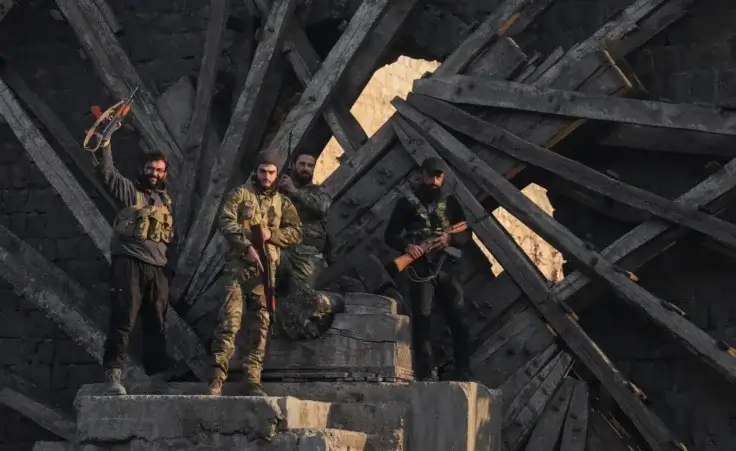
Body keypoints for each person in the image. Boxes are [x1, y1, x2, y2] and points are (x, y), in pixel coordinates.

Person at [208, 150, 302, 396]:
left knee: (261, 325)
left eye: (272, 172)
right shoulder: (241, 195)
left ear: (277, 173)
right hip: (240, 267)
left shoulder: (283, 203)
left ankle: (252, 379)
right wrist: (246, 245)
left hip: (266, 273)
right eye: (263, 171)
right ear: (256, 171)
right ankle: (217, 378)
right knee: (230, 321)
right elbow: (226, 221)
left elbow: (296, 232)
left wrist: (274, 236)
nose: (267, 177)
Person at [94, 139, 175, 396]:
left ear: (165, 173)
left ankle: (157, 376)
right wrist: (105, 144)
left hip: (157, 268)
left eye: (160, 170)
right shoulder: (130, 192)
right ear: (142, 169)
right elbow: (107, 174)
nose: (155, 174)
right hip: (129, 261)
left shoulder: (165, 202)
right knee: (124, 317)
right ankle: (113, 373)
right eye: (151, 169)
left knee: (157, 321)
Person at [383, 157, 473, 381]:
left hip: (447, 268)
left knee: (458, 319)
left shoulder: (451, 203)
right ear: (422, 174)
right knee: (422, 320)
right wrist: (407, 246)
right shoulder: (407, 203)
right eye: (431, 175)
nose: (434, 180)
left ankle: (463, 368)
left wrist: (449, 239)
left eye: (438, 176)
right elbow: (390, 235)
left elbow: (465, 233)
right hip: (420, 269)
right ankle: (425, 372)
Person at [276, 151, 332, 294]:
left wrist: (294, 191)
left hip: (308, 254)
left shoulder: (319, 191)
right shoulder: (279, 190)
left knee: (301, 298)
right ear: (292, 165)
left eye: (310, 165)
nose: (306, 168)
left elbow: (322, 207)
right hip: (281, 249)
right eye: (302, 164)